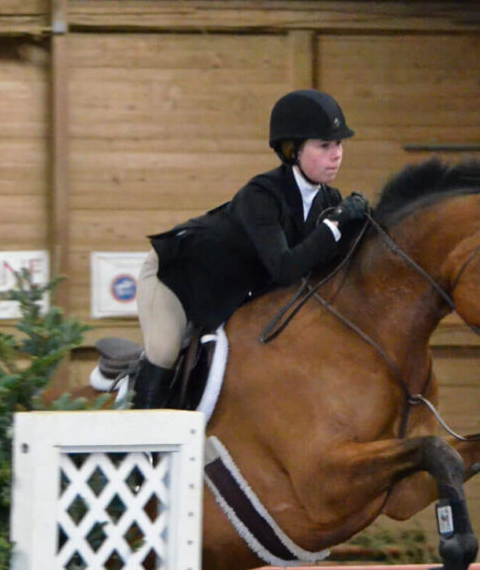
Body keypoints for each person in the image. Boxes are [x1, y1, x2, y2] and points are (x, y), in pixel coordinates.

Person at [133, 89, 369, 409]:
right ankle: (142, 437)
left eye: (339, 144)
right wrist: (333, 228)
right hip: (176, 277)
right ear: (292, 151)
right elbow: (284, 268)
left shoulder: (329, 201)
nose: (337, 154)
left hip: (229, 293)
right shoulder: (261, 195)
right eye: (325, 145)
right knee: (164, 350)